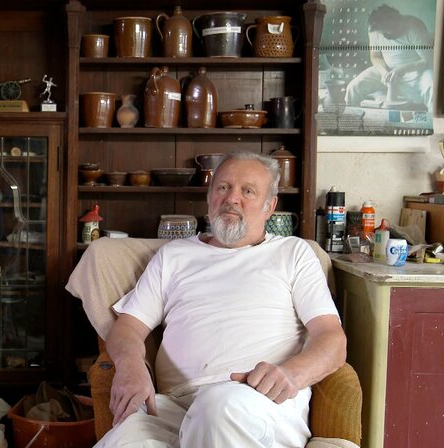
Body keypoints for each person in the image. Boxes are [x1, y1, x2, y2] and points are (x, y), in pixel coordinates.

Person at [97, 151, 347, 447]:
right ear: (210, 197)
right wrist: (130, 364)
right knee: (123, 439)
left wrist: (292, 375)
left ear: (270, 206)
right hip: (174, 406)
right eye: (223, 187)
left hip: (257, 400)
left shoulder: (293, 253)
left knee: (216, 408)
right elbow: (127, 328)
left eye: (248, 191)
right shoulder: (174, 255)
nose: (232, 198)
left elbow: (332, 339)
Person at [344, 4, 434, 112]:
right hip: (387, 70)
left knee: (433, 87)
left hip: (416, 72)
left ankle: (433, 120)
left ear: (397, 21)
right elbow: (375, 56)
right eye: (383, 32)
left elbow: (428, 61)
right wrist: (383, 72)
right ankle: (351, 118)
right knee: (353, 87)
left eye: (388, 30)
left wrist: (402, 69)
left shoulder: (414, 26)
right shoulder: (374, 29)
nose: (385, 34)